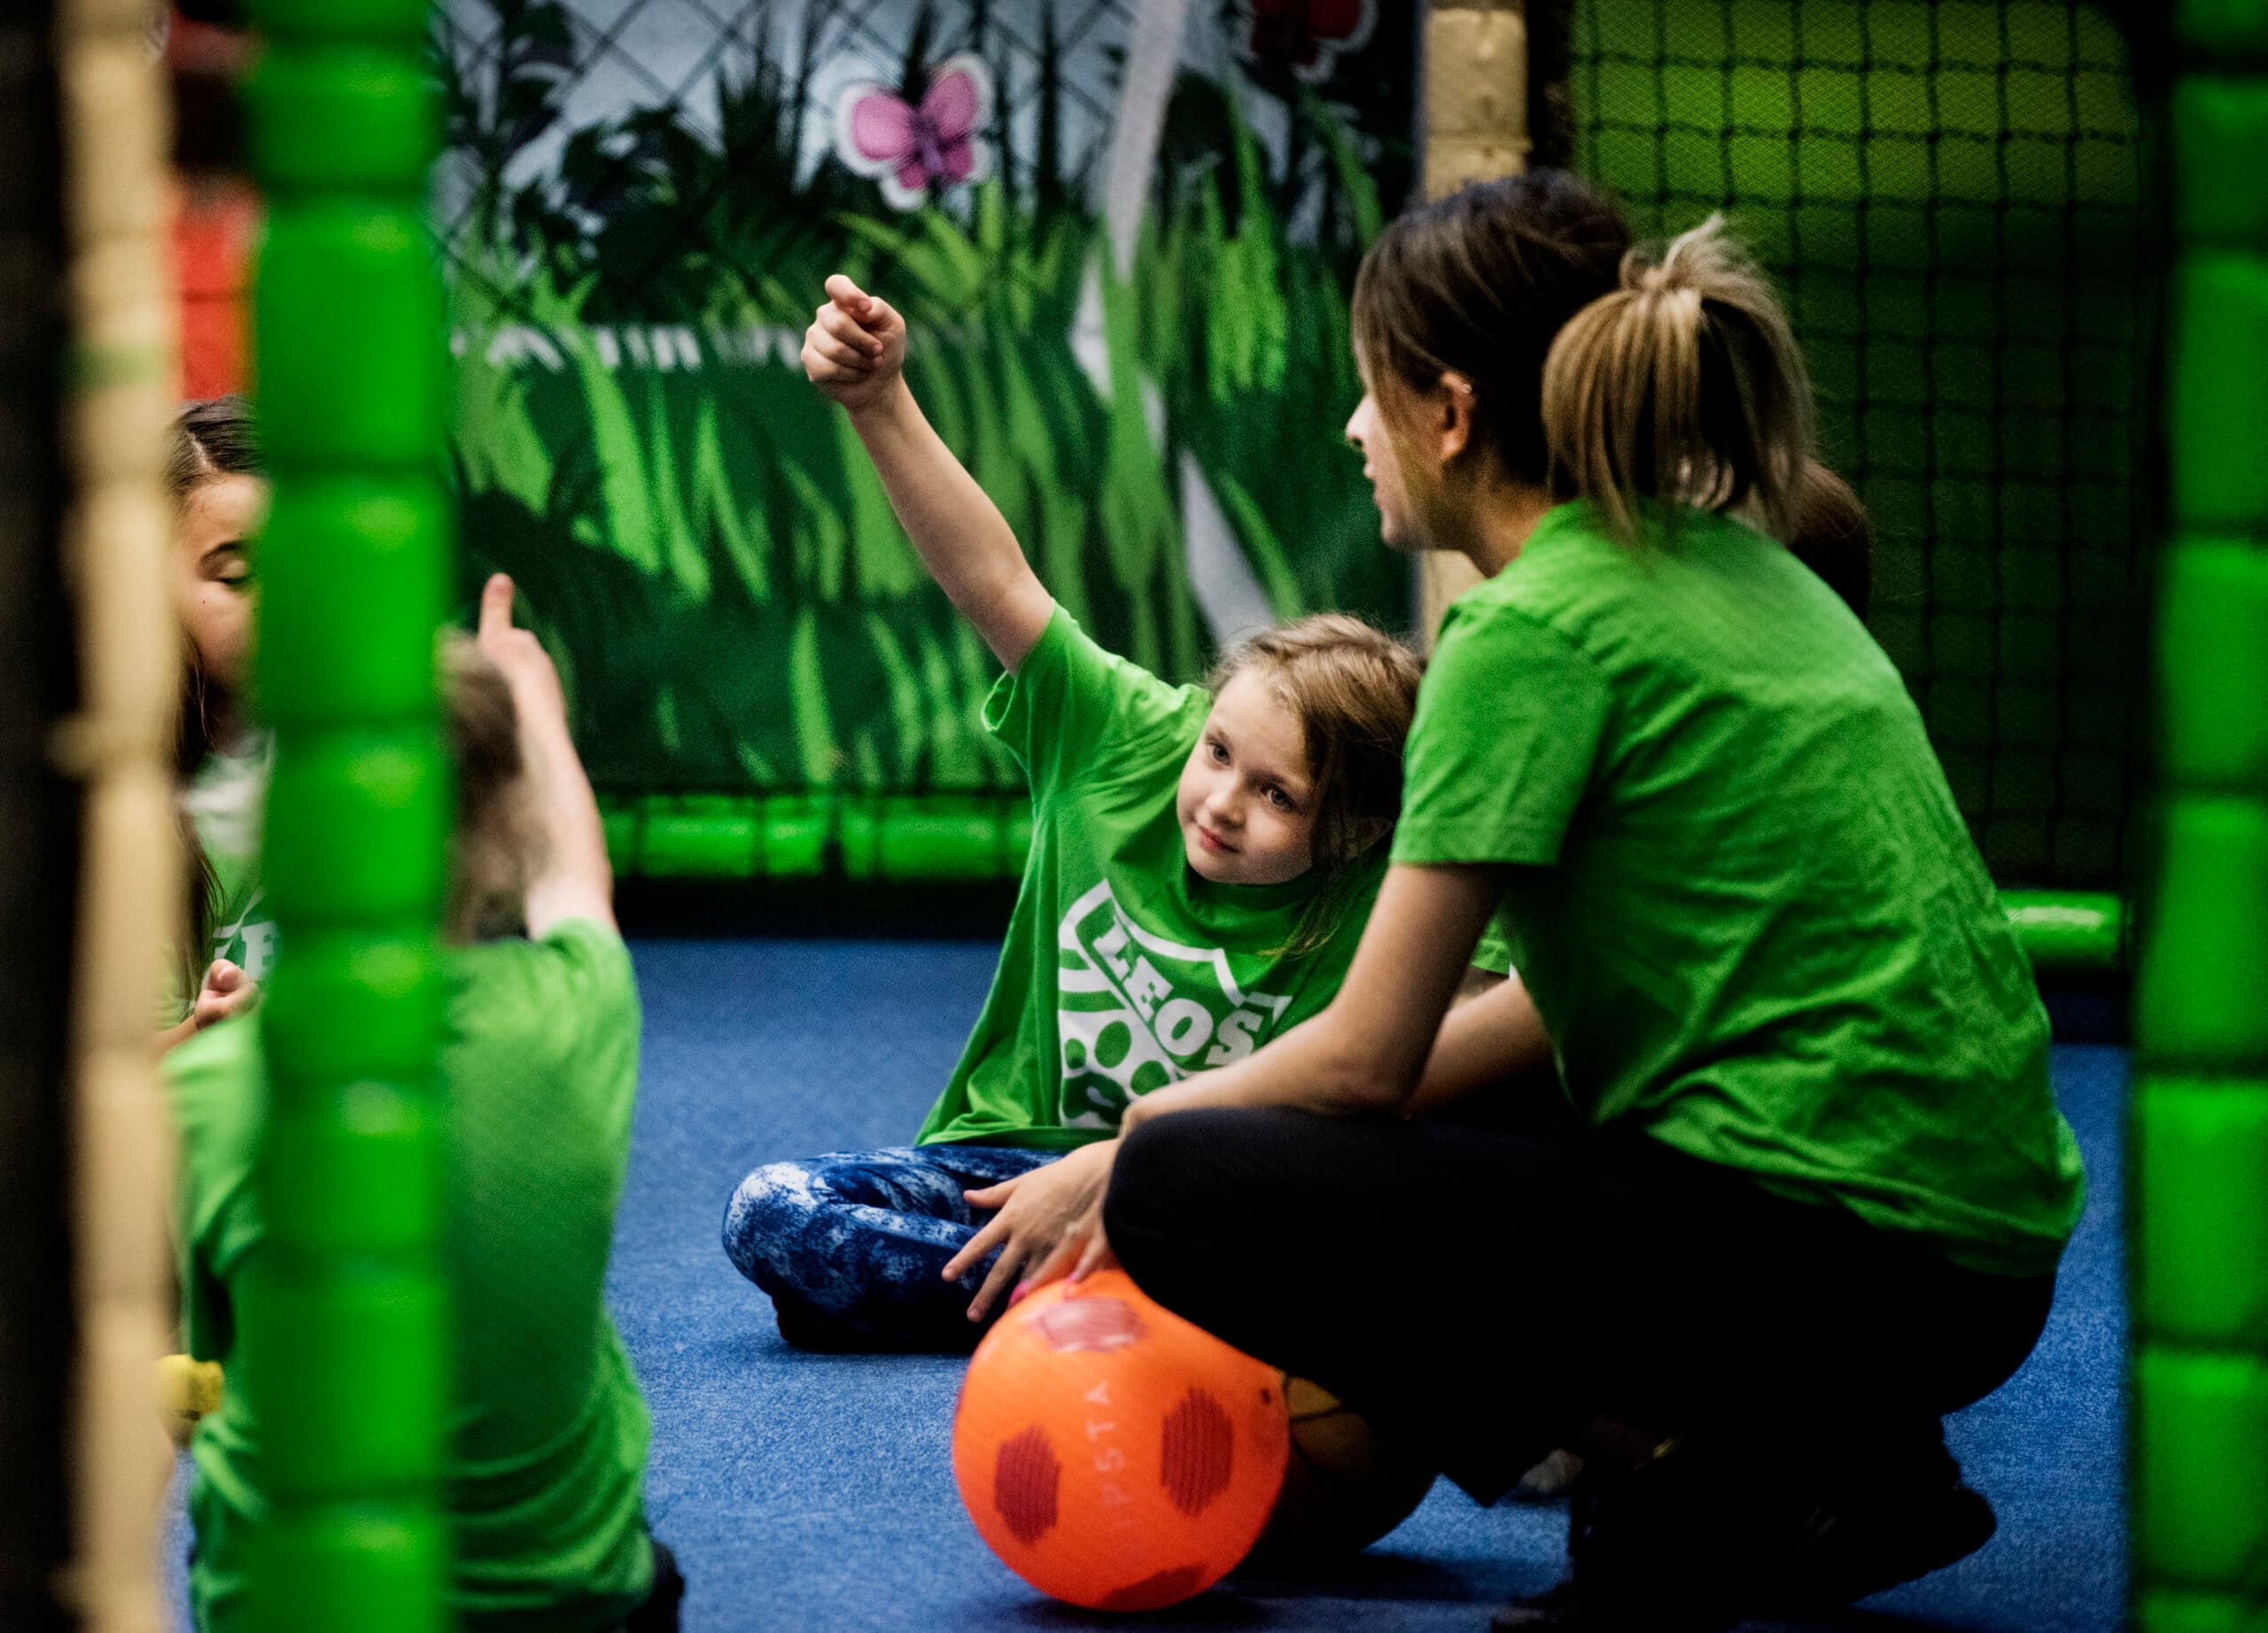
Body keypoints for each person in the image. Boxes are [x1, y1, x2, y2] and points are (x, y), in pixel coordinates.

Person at [1038, 198, 2085, 1632]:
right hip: (1982, 1259)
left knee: (1184, 1187)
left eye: (1371, 385)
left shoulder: (1525, 632)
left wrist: (1150, 1131)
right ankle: (1849, 1457)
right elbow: (1530, 1018)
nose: (1355, 426)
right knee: (1403, 1132)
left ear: (1450, 412)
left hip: (1848, 1259)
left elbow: (1367, 1059)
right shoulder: (1742, 560)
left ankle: (1711, 1472)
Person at [718, 274, 1424, 1349]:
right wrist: (878, 400)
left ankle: (1074, 1298)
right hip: (996, 1172)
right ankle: (1103, 1306)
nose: (1222, 802)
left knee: (1354, 1250)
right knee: (773, 1212)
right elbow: (993, 577)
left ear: (1357, 830)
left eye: (1277, 795)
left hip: (1201, 1193)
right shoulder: (1124, 736)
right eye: (1220, 753)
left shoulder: (1396, 890)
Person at [163, 575, 682, 1632]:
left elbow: (191, 1389)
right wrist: (530, 696)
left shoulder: (209, 1089)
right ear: (501, 823)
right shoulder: (579, 1011)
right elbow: (576, 880)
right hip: (574, 1608)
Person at [159, 395, 274, 1053]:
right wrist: (209, 1029)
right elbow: (95, 1080)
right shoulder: (131, 807)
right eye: (236, 573)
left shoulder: (335, 756)